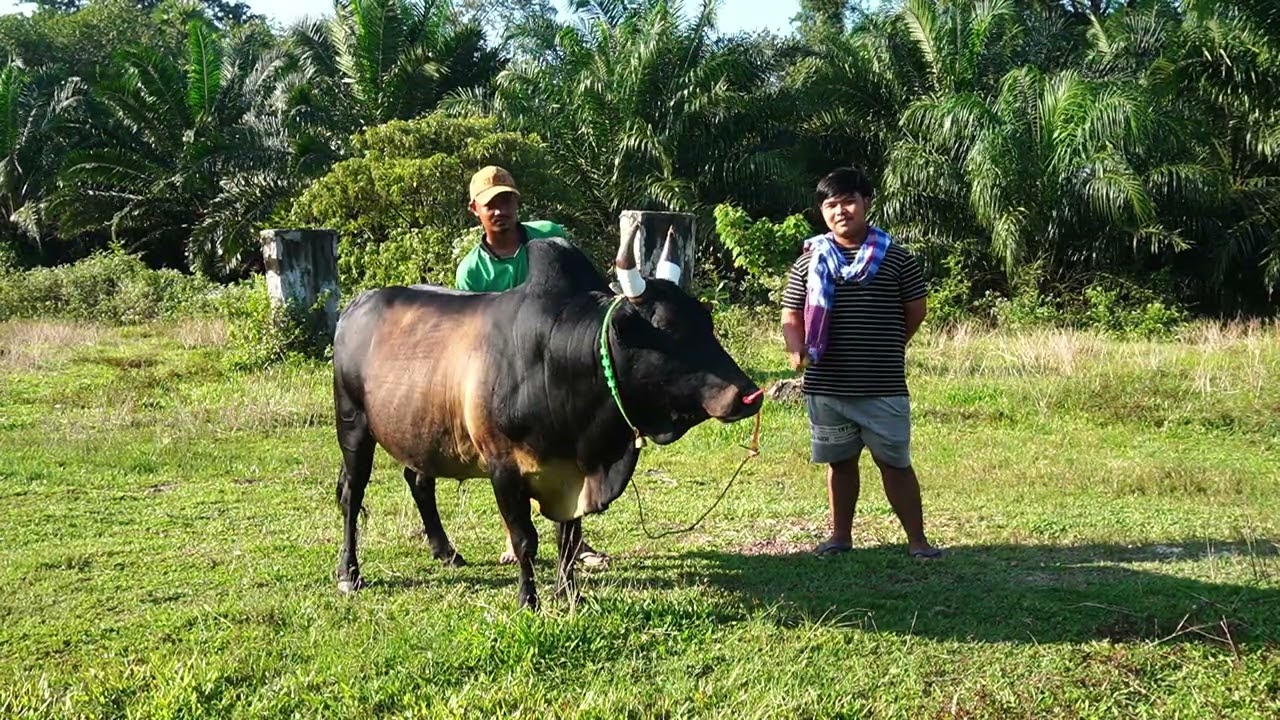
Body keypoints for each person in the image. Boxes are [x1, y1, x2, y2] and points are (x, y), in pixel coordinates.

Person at [779, 167, 941, 560]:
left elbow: (916, 310)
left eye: (848, 202)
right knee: (839, 464)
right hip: (827, 387)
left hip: (881, 386)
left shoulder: (898, 259)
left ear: (866, 202)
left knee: (895, 464)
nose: (840, 211)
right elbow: (791, 313)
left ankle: (918, 542)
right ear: (822, 212)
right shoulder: (808, 262)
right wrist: (796, 348)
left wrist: (889, 344)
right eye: (831, 205)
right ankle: (840, 537)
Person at [454, 165, 610, 567]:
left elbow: (583, 289)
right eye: (490, 204)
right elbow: (472, 334)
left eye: (506, 201)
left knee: (570, 456)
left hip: (556, 368)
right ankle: (513, 534)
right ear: (474, 210)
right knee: (504, 458)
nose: (500, 211)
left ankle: (575, 543)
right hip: (506, 378)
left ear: (517, 202)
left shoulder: (549, 237)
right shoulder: (472, 271)